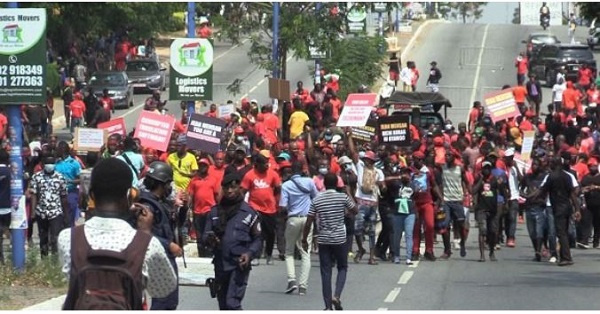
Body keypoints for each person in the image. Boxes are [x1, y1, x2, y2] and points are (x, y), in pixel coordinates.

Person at [57, 158, 177, 309]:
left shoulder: (68, 238)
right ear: (129, 195)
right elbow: (163, 289)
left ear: (92, 194)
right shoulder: (148, 245)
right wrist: (145, 234)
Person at [203, 173, 262, 310]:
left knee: (232, 303)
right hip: (220, 264)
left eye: (233, 187)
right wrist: (210, 239)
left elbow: (258, 239)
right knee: (223, 305)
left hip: (239, 264)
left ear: (239, 188)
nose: (229, 191)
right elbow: (205, 235)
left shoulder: (248, 213)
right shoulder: (215, 212)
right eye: (226, 188)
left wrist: (249, 254)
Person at [302, 173, 356, 311]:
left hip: (324, 239)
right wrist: (348, 193)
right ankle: (337, 295)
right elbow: (355, 210)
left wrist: (304, 239)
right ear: (337, 184)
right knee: (342, 267)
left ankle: (327, 306)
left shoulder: (317, 199)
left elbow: (309, 221)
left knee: (325, 272)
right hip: (339, 238)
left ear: (324, 184)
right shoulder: (342, 197)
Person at [139, 161, 183, 309]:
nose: (169, 187)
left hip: (164, 256)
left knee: (169, 301)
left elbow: (173, 225)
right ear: (162, 184)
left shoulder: (161, 203)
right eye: (168, 184)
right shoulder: (147, 205)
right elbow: (143, 234)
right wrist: (169, 245)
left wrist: (183, 208)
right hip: (158, 258)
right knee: (164, 301)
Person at [279, 161, 318, 295]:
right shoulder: (309, 182)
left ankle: (291, 281)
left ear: (290, 172)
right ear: (303, 170)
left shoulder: (286, 185)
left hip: (293, 219)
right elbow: (316, 198)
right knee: (305, 252)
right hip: (307, 219)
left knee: (289, 252)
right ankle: (303, 286)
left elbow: (283, 206)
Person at [536, 155, 581, 266]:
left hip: (558, 209)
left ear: (554, 164)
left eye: (551, 163)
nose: (549, 164)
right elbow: (572, 194)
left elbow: (542, 191)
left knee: (561, 233)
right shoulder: (567, 176)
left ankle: (566, 257)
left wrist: (529, 197)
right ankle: (565, 255)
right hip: (567, 208)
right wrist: (577, 209)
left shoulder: (552, 177)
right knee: (564, 232)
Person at [241, 154, 282, 265]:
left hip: (270, 209)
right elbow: (243, 191)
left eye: (267, 163)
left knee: (270, 233)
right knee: (257, 233)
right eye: (263, 164)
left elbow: (278, 188)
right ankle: (255, 255)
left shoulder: (273, 174)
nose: (266, 166)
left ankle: (269, 255)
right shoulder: (249, 175)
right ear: (256, 165)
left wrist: (278, 203)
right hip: (254, 208)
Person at [30, 155, 68, 257]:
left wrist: (66, 213)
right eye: (47, 163)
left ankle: (55, 261)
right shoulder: (36, 177)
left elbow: (64, 196)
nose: (49, 165)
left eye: (51, 163)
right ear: (43, 165)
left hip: (56, 212)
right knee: (43, 238)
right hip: (41, 212)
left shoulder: (60, 177)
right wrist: (33, 213)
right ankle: (44, 260)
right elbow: (34, 195)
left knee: (55, 237)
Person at [352, 150, 385, 265]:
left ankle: (371, 257)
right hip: (361, 203)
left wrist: (382, 185)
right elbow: (353, 152)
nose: (367, 162)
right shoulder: (360, 168)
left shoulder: (378, 172)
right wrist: (349, 135)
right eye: (365, 159)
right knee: (357, 229)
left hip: (372, 204)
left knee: (372, 232)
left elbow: (383, 185)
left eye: (369, 160)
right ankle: (361, 248)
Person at [439, 150, 469, 259]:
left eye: (449, 155)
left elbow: (466, 181)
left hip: (458, 201)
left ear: (454, 157)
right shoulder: (442, 168)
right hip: (446, 201)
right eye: (445, 155)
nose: (446, 157)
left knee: (461, 224)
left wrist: (469, 195)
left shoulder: (459, 169)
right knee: (444, 226)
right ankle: (447, 250)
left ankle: (462, 244)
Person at [188, 158, 221, 257]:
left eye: (204, 165)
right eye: (201, 165)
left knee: (207, 234)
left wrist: (218, 209)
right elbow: (191, 195)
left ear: (208, 167)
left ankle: (209, 254)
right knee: (199, 235)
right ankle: (201, 254)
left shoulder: (213, 180)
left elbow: (217, 195)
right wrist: (188, 208)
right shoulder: (194, 181)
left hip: (209, 210)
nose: (202, 167)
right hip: (197, 211)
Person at [472, 161, 503, 262]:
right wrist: (480, 180)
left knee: (493, 232)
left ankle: (491, 252)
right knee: (482, 231)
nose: (487, 170)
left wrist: (503, 204)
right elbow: (473, 191)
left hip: (493, 209)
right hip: (482, 209)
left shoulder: (494, 180)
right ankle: (482, 255)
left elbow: (502, 191)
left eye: (488, 168)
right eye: (485, 168)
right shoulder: (478, 179)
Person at [55, 141, 82, 227]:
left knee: (70, 216)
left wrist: (69, 181)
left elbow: (80, 179)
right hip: (57, 193)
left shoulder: (74, 163)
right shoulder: (56, 163)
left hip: (71, 192)